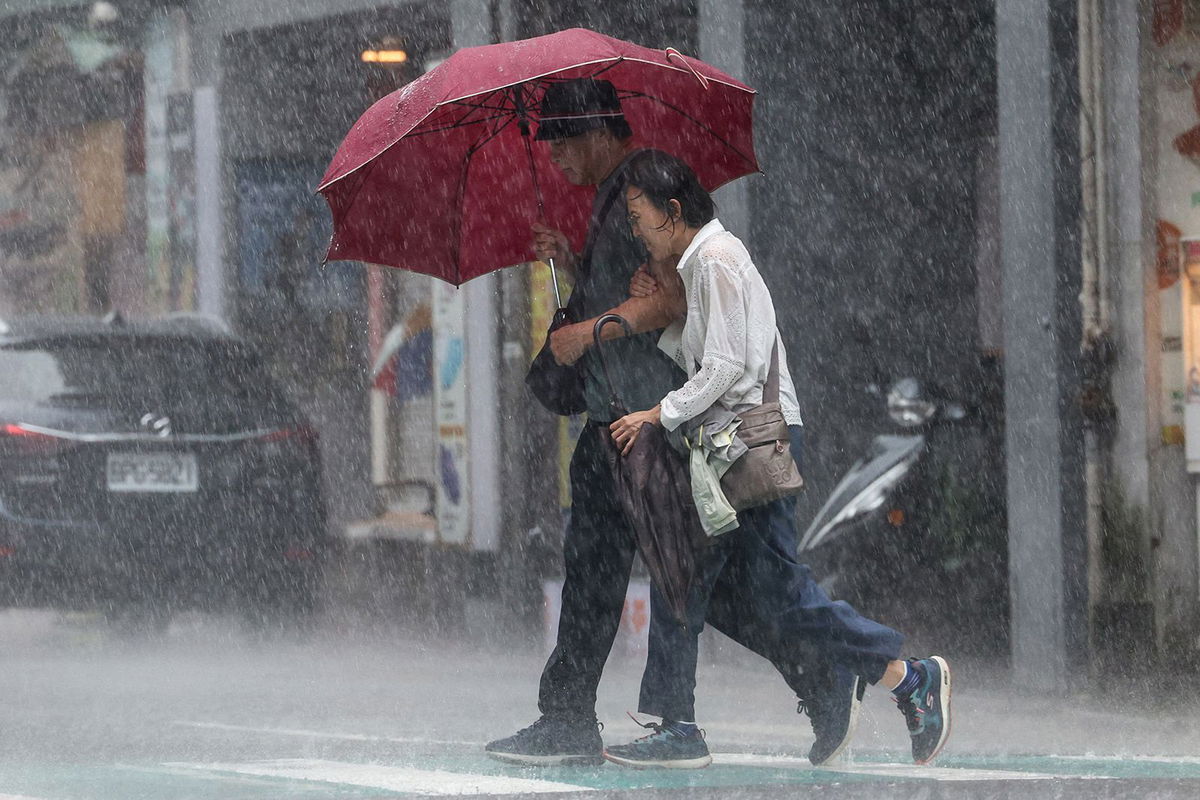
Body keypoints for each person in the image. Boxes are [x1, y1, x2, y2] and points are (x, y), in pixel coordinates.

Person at [485, 78, 864, 768]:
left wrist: (589, 333)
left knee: (713, 586)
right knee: (604, 573)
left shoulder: (643, 198)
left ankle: (821, 674)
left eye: (564, 143)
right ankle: (570, 714)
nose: (556, 160)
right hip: (618, 425)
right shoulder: (612, 204)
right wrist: (573, 265)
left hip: (654, 425)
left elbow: (667, 303)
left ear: (601, 133)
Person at [600, 149, 952, 769]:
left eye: (638, 214)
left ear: (672, 211)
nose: (634, 228)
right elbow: (716, 355)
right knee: (704, 582)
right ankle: (812, 691)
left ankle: (904, 676)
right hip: (731, 442)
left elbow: (730, 367)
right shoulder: (703, 263)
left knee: (765, 590)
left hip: (749, 443)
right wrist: (668, 317)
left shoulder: (715, 258)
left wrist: (660, 414)